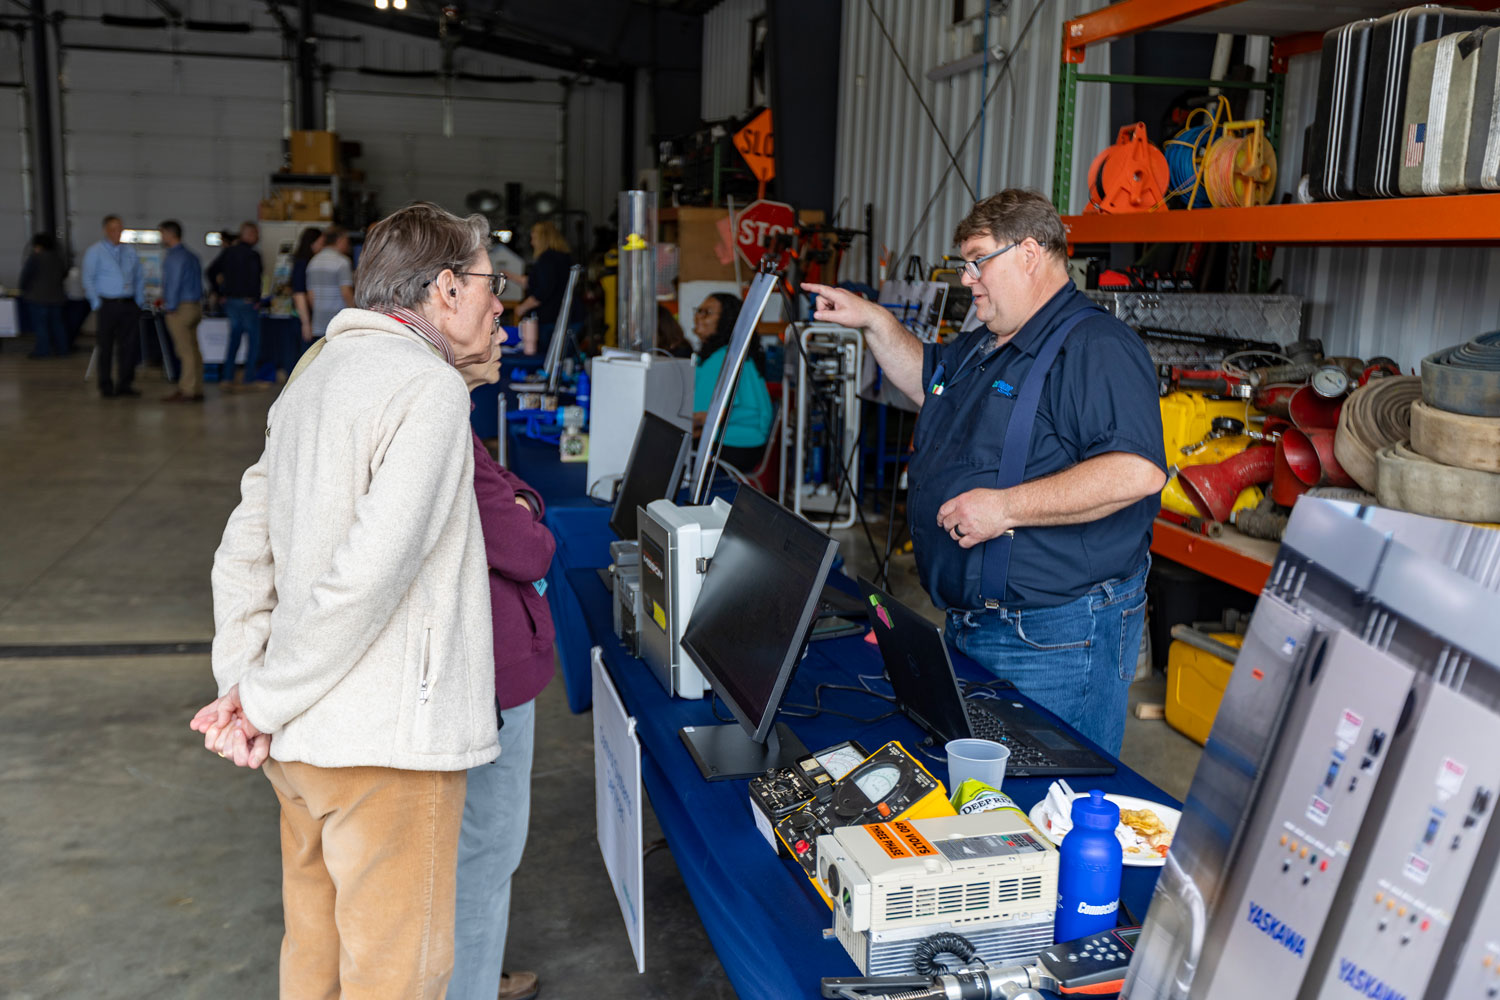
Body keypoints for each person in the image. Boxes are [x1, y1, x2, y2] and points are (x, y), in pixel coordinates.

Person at [189, 201, 507, 1000]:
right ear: (444, 289)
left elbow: (242, 546)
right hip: (385, 751)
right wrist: (256, 699)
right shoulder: (426, 390)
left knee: (317, 960)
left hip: (301, 746)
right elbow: (371, 574)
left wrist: (245, 682)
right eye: (489, 282)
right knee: (396, 977)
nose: (500, 301)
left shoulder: (315, 374)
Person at [804, 189, 1166, 756]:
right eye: (963, 264)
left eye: (978, 260)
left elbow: (1136, 472)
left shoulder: (1096, 346)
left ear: (1029, 252)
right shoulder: (985, 345)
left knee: (1052, 803)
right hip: (973, 625)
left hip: (1054, 639)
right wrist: (872, 320)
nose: (967, 278)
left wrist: (1004, 508)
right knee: (991, 809)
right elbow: (928, 379)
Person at [449, 339, 556, 1000]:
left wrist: (519, 505)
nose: (500, 319)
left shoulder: (453, 415)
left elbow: (512, 492)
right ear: (444, 295)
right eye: (489, 289)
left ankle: (474, 971)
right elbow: (526, 549)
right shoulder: (433, 410)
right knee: (485, 851)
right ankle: (470, 984)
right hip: (483, 676)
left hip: (465, 668)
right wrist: (522, 514)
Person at [692, 292, 773, 472]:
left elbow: (701, 417)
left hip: (736, 445)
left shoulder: (722, 357)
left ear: (726, 320)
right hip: (745, 443)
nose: (698, 316)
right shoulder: (729, 354)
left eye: (707, 312)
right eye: (699, 311)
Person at [81, 214, 146, 398]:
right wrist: (96, 303)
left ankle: (125, 384)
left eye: (120, 229)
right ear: (106, 230)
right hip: (107, 304)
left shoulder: (130, 251)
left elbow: (139, 277)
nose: (117, 232)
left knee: (129, 346)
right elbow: (88, 278)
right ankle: (106, 385)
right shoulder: (95, 251)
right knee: (106, 346)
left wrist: (139, 300)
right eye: (113, 229)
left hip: (129, 304)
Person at [503, 221, 583, 351]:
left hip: (554, 319)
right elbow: (536, 282)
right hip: (569, 316)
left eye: (534, 238)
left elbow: (544, 290)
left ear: (542, 239)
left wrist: (522, 307)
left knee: (549, 356)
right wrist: (509, 276)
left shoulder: (547, 259)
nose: (532, 243)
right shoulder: (562, 257)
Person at [206, 221, 265, 390]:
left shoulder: (228, 253)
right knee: (254, 341)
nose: (258, 237)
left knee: (234, 340)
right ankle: (249, 378)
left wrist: (219, 293)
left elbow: (210, 271)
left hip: (230, 302)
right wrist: (256, 299)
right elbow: (256, 279)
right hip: (247, 302)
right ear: (249, 234)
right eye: (256, 234)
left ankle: (227, 377)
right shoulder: (253, 255)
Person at [159, 220, 205, 402]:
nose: (161, 238)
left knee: (184, 351)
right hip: (195, 306)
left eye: (162, 234)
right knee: (193, 349)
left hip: (180, 308)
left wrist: (170, 307)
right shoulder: (192, 255)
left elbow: (174, 283)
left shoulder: (174, 257)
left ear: (170, 234)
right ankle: (196, 387)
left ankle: (187, 390)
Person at [19, 233, 67, 358]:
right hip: (56, 297)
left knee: (41, 326)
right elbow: (64, 274)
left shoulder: (35, 258)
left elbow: (26, 277)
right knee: (58, 325)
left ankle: (43, 351)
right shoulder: (58, 258)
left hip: (37, 298)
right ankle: (62, 350)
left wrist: (23, 289)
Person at [306, 224, 354, 341]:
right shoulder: (342, 262)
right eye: (346, 240)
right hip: (338, 322)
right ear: (339, 240)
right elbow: (346, 292)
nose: (348, 244)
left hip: (319, 321)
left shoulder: (313, 262)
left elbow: (311, 295)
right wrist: (355, 312)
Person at [289, 227, 322, 343]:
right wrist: (306, 323)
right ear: (312, 243)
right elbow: (299, 293)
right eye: (320, 243)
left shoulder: (306, 262)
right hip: (303, 317)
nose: (322, 247)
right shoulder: (303, 264)